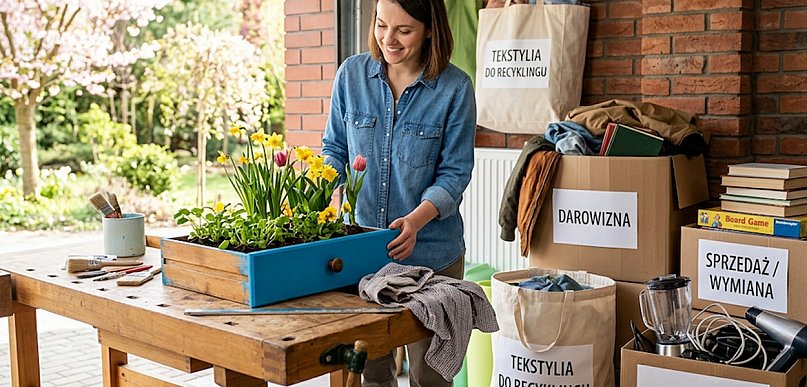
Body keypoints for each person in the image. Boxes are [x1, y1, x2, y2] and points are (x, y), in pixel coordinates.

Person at [321, 0, 476, 386]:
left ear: (429, 30)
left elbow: (455, 173)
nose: (388, 39)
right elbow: (335, 149)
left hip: (432, 257)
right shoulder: (351, 75)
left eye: (404, 30)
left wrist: (415, 221)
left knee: (430, 377)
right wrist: (321, 191)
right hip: (363, 254)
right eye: (381, 25)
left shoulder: (455, 88)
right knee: (373, 373)